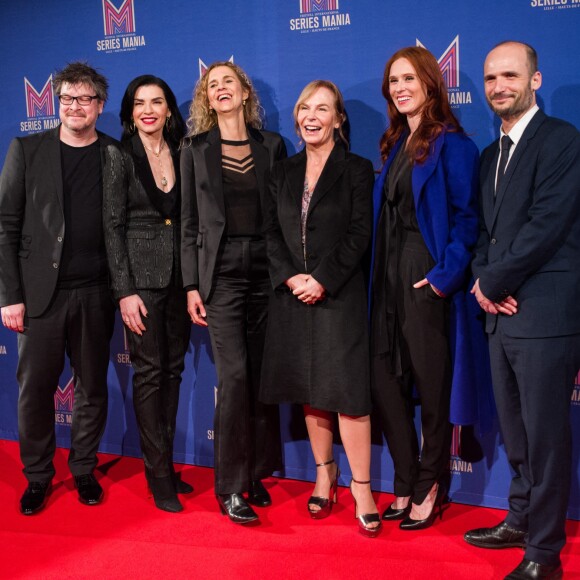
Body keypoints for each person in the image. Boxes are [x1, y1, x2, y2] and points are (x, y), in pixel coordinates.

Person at [464, 41, 580, 580]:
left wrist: (492, 280)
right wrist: (483, 283)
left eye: (510, 75)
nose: (498, 86)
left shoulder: (561, 141)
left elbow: (546, 227)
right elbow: (485, 235)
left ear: (535, 80)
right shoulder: (490, 155)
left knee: (546, 435)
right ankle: (518, 518)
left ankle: (544, 552)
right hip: (500, 312)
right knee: (515, 428)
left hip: (545, 312)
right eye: (490, 78)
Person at [260, 80, 381, 538]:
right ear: (297, 116)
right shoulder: (282, 171)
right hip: (292, 296)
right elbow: (270, 233)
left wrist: (322, 279)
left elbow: (358, 235)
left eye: (322, 109)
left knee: (346, 391)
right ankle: (324, 473)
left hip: (339, 294)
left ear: (338, 119)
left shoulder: (356, 168)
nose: (312, 116)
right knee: (311, 388)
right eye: (305, 107)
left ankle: (362, 488)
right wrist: (293, 277)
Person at [369, 46, 481, 531]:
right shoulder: (396, 141)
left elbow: (467, 220)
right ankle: (406, 477)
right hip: (386, 275)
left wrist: (442, 278)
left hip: (425, 274)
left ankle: (430, 483)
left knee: (432, 388)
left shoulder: (454, 144)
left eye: (409, 78)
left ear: (431, 83)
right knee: (385, 380)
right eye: (393, 81)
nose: (400, 88)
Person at [0, 62, 118, 514]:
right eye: (67, 98)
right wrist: (10, 294)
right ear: (57, 102)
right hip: (39, 297)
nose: (74, 106)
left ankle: (84, 468)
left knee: (93, 387)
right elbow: (7, 226)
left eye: (84, 99)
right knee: (35, 389)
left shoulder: (113, 153)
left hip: (96, 293)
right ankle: (38, 476)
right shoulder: (27, 150)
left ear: (99, 106)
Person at [181, 61, 285, 524]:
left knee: (262, 376)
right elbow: (187, 224)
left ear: (245, 93)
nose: (220, 89)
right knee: (236, 377)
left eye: (228, 82)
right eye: (212, 85)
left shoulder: (273, 146)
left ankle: (255, 474)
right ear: (207, 99)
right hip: (220, 276)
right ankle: (229, 488)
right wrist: (190, 284)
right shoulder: (194, 149)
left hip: (267, 274)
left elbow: (284, 215)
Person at [102, 75, 192, 512]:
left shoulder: (183, 151)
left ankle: (168, 465)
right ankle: (157, 475)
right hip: (140, 284)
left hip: (179, 280)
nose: (149, 109)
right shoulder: (118, 155)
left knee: (172, 373)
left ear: (170, 109)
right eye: (140, 103)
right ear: (130, 112)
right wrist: (124, 291)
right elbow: (112, 227)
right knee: (150, 374)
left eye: (157, 102)